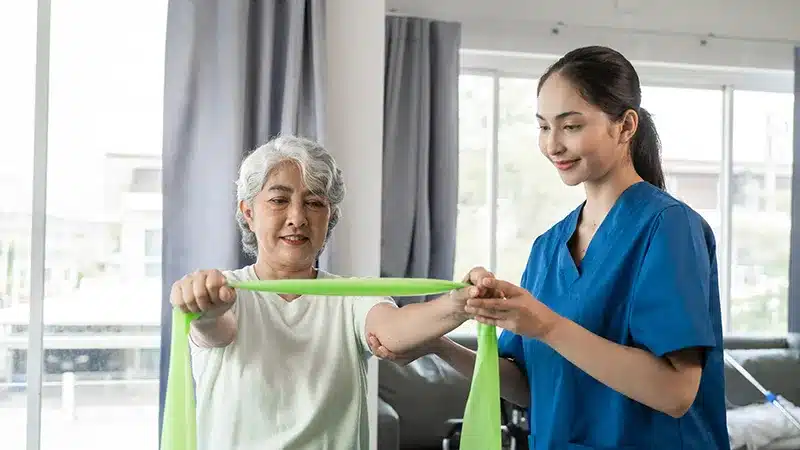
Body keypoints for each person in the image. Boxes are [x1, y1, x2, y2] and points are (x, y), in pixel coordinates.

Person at [369, 46, 730, 449]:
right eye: (543, 127)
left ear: (625, 126)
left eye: (570, 126)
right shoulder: (548, 247)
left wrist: (546, 324)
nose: (552, 145)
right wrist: (435, 342)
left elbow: (676, 392)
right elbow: (529, 386)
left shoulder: (668, 227)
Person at [170, 135, 482, 450]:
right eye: (279, 200)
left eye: (314, 203)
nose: (297, 218)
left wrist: (460, 303)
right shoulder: (225, 292)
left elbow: (392, 332)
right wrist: (206, 310)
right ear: (248, 212)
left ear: (329, 217)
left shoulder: (352, 296)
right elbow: (215, 329)